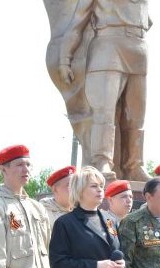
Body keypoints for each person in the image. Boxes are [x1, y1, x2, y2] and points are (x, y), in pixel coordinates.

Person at [57, 0, 152, 182]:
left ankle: (134, 165)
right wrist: (64, 58)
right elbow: (77, 22)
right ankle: (101, 160)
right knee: (104, 111)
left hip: (138, 46)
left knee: (136, 115)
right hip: (107, 45)